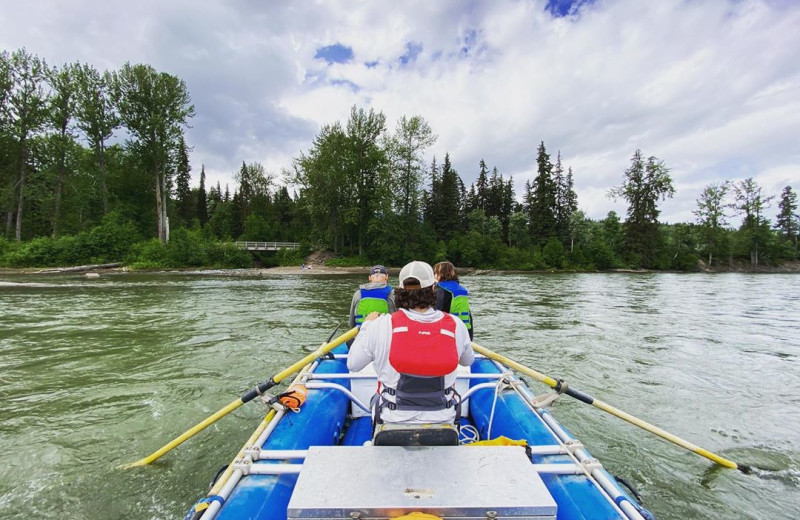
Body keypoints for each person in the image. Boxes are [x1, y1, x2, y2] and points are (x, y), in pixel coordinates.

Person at [347, 261, 474, 427]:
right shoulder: (456, 325)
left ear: (400, 291)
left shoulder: (380, 325)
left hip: (393, 418)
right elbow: (467, 361)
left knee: (375, 399)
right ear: (434, 288)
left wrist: (366, 326)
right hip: (443, 418)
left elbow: (353, 364)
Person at [433, 261, 474, 340]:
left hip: (448, 334)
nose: (434, 276)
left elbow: (435, 314)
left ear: (440, 274)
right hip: (465, 333)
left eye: (435, 273)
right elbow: (469, 317)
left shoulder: (440, 290)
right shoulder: (462, 290)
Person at [348, 265, 396, 330]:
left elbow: (351, 323)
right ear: (387, 277)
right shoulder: (393, 294)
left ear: (370, 278)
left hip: (361, 335)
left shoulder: (358, 294)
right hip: (385, 337)